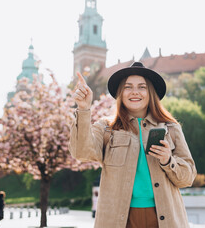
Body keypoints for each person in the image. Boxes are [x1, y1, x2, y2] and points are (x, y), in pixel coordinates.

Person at [69, 62, 197, 228]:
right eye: (128, 87)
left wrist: (168, 160)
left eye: (142, 87)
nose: (135, 92)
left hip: (164, 219)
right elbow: (81, 152)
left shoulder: (171, 128)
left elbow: (187, 178)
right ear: (120, 93)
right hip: (117, 219)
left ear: (150, 93)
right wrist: (84, 109)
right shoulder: (106, 128)